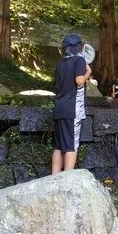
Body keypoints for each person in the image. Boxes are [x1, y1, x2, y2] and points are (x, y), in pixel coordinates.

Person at [51, 34, 91, 174]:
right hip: (72, 109)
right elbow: (79, 81)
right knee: (71, 146)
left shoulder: (60, 63)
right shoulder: (79, 60)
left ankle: (53, 178)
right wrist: (88, 72)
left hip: (59, 107)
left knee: (58, 145)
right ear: (78, 46)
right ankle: (68, 179)